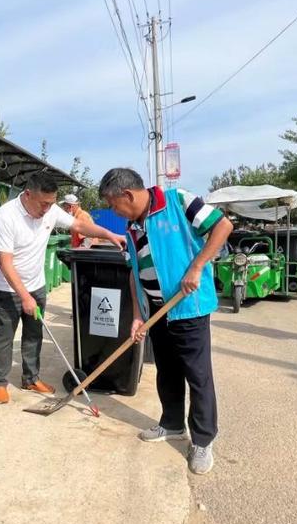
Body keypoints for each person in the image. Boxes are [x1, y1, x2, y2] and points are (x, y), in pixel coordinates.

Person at [98, 168, 233, 474]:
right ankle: (171, 424)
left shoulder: (178, 201)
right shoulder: (132, 228)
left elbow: (223, 226)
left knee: (198, 376)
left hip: (188, 309)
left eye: (112, 204)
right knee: (167, 372)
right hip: (157, 312)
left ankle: (203, 439)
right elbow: (135, 273)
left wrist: (197, 266)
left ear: (127, 195)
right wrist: (136, 316)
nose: (112, 210)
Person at [0, 173, 125, 404]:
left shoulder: (50, 209)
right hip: (9, 288)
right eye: (44, 203)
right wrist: (24, 296)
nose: (48, 209)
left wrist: (109, 234)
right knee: (5, 336)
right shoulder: (6, 216)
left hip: (37, 284)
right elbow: (5, 263)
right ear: (28, 194)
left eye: (52, 203)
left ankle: (30, 378)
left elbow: (80, 224)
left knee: (34, 334)